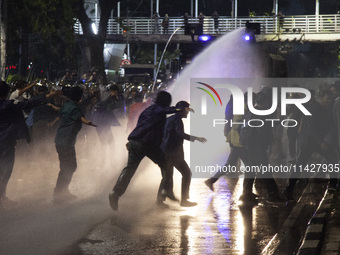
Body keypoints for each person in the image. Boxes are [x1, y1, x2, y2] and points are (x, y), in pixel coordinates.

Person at [109, 91, 182, 211]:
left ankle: (115, 193)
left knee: (130, 169)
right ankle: (165, 190)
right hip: (147, 144)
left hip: (135, 142)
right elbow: (165, 111)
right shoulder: (158, 109)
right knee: (166, 165)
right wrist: (179, 109)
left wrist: (132, 140)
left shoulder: (147, 111)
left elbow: (140, 125)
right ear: (166, 102)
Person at [0, 81, 59, 208]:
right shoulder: (8, 105)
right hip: (6, 143)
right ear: (6, 94)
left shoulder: (8, 104)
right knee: (6, 170)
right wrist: (47, 96)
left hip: (6, 142)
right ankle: (2, 197)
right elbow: (29, 103)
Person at [53, 86, 96, 203]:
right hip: (66, 142)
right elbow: (80, 117)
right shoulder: (74, 107)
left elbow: (61, 110)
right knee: (70, 166)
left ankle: (60, 191)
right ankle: (60, 191)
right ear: (79, 97)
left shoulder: (67, 104)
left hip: (60, 140)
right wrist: (89, 123)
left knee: (66, 166)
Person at [161, 101, 206, 207]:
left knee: (166, 177)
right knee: (186, 173)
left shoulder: (169, 119)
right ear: (181, 110)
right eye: (186, 110)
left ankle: (159, 201)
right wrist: (196, 138)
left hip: (164, 152)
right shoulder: (177, 120)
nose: (188, 112)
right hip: (173, 153)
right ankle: (184, 200)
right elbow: (180, 134)